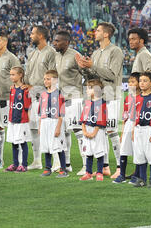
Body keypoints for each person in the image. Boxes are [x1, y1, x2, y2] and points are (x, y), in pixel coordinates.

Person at [75, 22, 124, 177]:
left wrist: (93, 66)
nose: (94, 32)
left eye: (98, 30)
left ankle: (119, 168)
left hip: (111, 96)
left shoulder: (116, 51)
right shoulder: (96, 53)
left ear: (106, 34)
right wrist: (83, 68)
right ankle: (105, 166)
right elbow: (92, 77)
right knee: (101, 132)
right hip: (97, 99)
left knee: (112, 131)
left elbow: (111, 74)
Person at [23, 25, 56, 171]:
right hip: (32, 97)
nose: (30, 35)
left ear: (41, 36)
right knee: (33, 129)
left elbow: (53, 76)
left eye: (33, 33)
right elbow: (27, 74)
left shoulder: (51, 53)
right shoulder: (32, 54)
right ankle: (37, 160)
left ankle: (56, 160)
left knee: (48, 129)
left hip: (45, 96)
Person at [53, 30, 86, 175]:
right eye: (54, 40)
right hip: (61, 98)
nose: (54, 43)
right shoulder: (56, 55)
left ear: (66, 42)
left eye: (57, 41)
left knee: (78, 131)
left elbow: (86, 73)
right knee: (64, 132)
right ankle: (66, 164)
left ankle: (86, 165)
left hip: (75, 97)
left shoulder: (75, 55)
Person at [0, 31, 22, 167]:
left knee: (14, 130)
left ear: (5, 42)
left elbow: (19, 77)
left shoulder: (12, 58)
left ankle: (20, 161)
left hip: (9, 99)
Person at [131, 71, 151, 188]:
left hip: (149, 129)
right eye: (140, 81)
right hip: (138, 129)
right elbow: (135, 117)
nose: (142, 83)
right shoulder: (137, 98)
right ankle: (142, 179)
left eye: (145, 81)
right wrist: (133, 131)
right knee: (140, 155)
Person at [38, 70, 68, 178]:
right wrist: (40, 126)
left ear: (55, 80)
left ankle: (63, 169)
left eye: (48, 79)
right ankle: (47, 168)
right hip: (45, 122)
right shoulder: (43, 95)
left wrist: (58, 128)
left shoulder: (59, 94)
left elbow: (61, 114)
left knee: (59, 146)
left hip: (55, 122)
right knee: (46, 146)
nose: (45, 81)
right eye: (45, 79)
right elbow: (41, 112)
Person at [112, 72, 140, 184]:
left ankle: (137, 174)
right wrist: (122, 133)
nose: (130, 84)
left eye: (133, 82)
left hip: (137, 125)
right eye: (129, 82)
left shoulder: (142, 97)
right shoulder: (128, 98)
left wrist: (134, 129)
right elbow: (125, 117)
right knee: (123, 149)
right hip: (128, 124)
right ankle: (122, 175)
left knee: (138, 150)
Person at [79, 79, 109, 182]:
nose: (86, 90)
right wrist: (84, 131)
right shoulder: (87, 103)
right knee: (89, 153)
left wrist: (94, 133)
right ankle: (88, 173)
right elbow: (83, 119)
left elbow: (101, 121)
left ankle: (99, 172)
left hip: (98, 132)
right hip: (87, 131)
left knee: (99, 153)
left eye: (88, 88)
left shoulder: (102, 104)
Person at [4, 67, 32, 173]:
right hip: (12, 119)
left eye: (13, 74)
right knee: (13, 142)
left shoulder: (25, 90)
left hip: (22, 120)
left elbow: (28, 106)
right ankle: (15, 164)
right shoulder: (12, 89)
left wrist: (27, 118)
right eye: (10, 74)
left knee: (22, 142)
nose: (11, 77)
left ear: (20, 75)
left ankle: (24, 165)